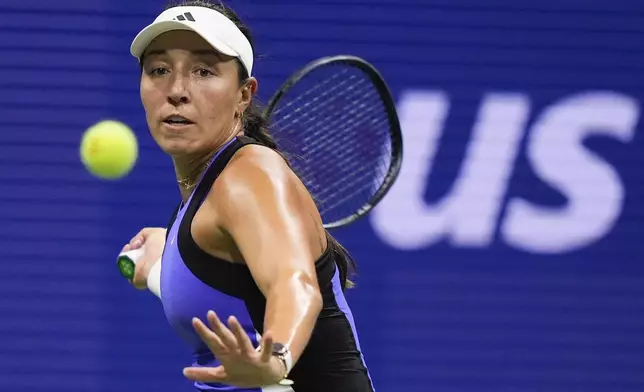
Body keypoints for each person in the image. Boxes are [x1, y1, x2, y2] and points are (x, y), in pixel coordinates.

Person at [121, 1, 375, 391]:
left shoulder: (251, 173)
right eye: (159, 70)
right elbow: (225, 284)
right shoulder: (200, 197)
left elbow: (294, 283)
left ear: (243, 95)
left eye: (204, 71)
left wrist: (277, 358)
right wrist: (166, 259)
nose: (176, 91)